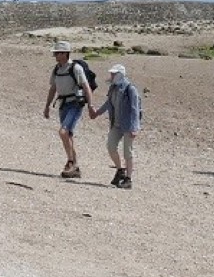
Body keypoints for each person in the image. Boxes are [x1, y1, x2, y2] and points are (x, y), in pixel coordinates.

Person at [43, 42, 95, 178]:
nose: (55, 55)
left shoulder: (76, 68)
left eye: (57, 53)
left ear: (65, 54)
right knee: (67, 135)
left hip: (75, 104)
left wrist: (90, 106)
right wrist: (47, 106)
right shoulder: (57, 69)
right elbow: (53, 88)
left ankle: (71, 162)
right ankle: (75, 167)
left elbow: (86, 87)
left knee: (63, 132)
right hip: (63, 104)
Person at [89, 64, 142, 188]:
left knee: (127, 152)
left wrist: (135, 127)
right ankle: (120, 171)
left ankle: (128, 179)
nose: (111, 76)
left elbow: (135, 109)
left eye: (113, 74)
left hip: (128, 125)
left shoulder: (130, 89)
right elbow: (109, 103)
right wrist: (97, 113)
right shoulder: (113, 88)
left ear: (120, 75)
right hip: (116, 124)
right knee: (111, 146)